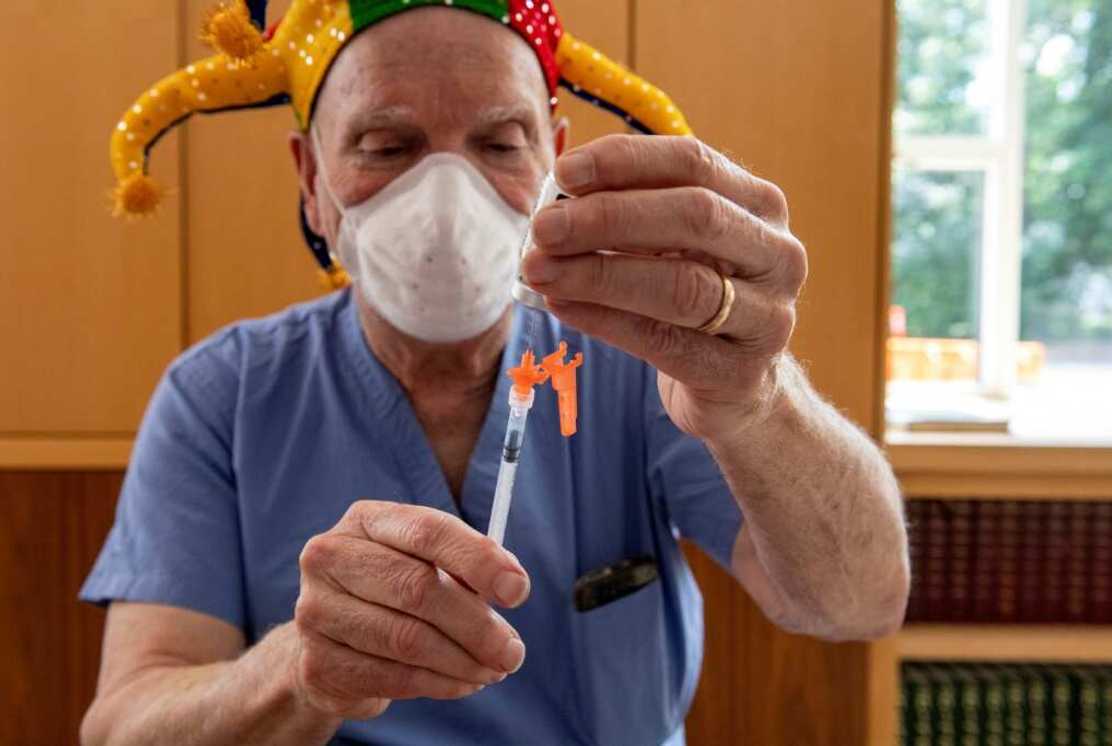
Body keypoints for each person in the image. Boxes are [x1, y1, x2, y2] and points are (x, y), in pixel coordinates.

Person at [81, 1, 910, 744]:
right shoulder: (224, 398)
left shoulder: (644, 364)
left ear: (554, 159)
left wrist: (755, 395)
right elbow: (126, 726)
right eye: (388, 145)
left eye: (499, 143)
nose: (447, 194)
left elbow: (858, 602)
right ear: (312, 182)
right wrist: (301, 668)